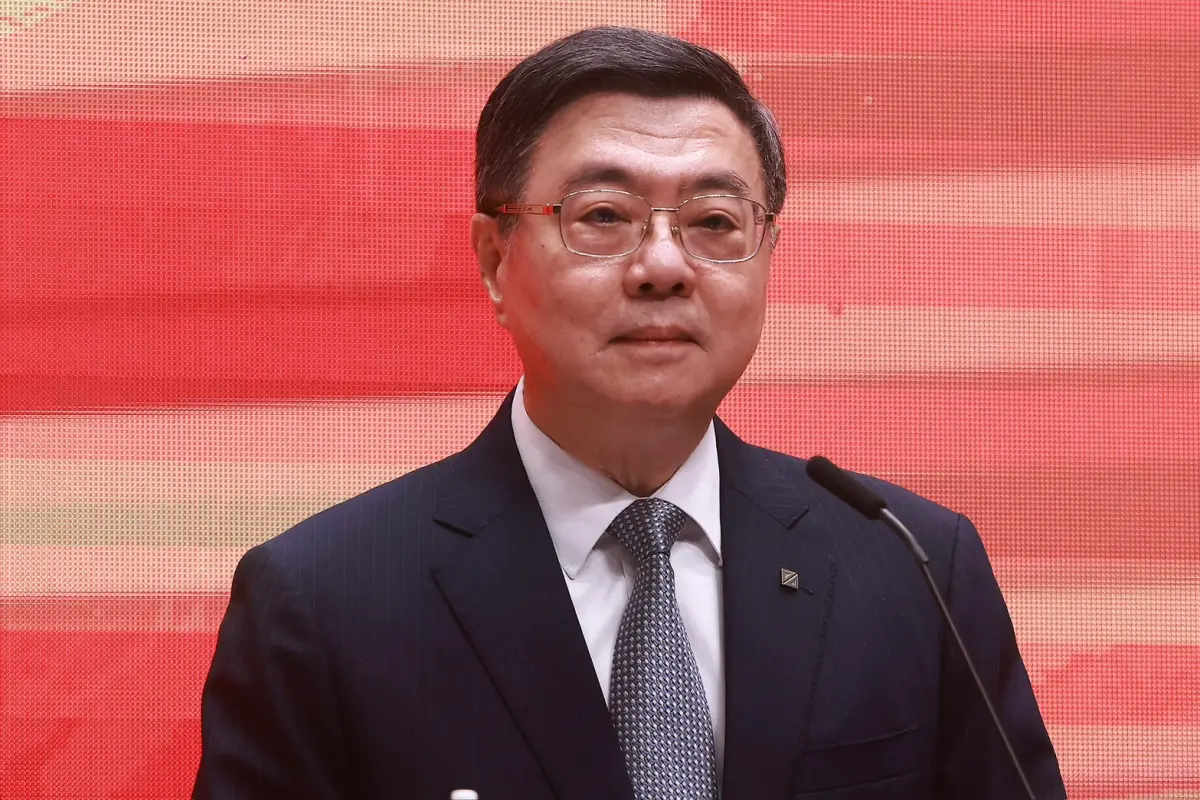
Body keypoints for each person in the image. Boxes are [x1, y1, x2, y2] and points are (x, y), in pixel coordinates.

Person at [193, 26, 1066, 800]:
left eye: (714, 221)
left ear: (768, 253)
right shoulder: (327, 601)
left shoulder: (911, 566)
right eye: (604, 215)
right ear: (495, 261)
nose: (663, 266)